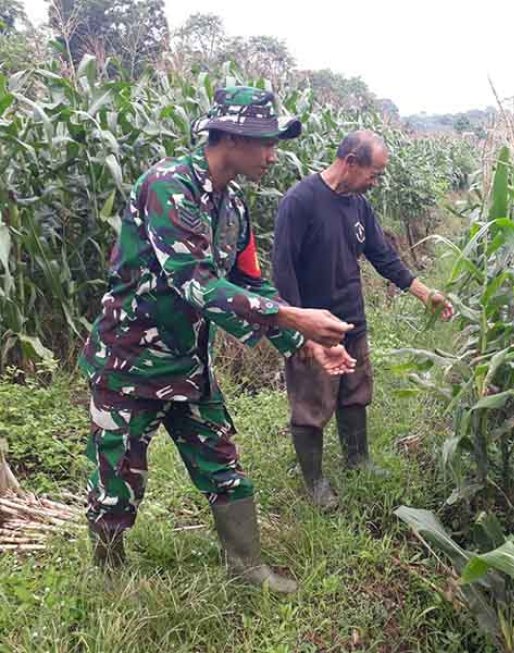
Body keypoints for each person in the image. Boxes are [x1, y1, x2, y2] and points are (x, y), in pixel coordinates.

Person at [79, 86, 355, 594]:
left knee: (222, 461)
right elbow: (196, 282)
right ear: (229, 138)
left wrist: (304, 345)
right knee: (117, 481)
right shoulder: (168, 186)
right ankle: (109, 578)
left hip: (188, 367)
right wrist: (294, 318)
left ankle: (248, 569)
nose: (274, 155)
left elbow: (249, 280)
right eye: (266, 142)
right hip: (131, 365)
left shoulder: (233, 206)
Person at [272, 130, 453, 509]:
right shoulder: (300, 202)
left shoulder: (357, 205)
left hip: (351, 319)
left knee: (355, 392)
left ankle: (358, 462)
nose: (376, 182)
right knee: (311, 405)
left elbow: (382, 255)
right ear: (351, 162)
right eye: (375, 173)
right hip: (314, 328)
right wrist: (299, 333)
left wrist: (424, 293)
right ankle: (316, 482)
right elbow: (283, 272)